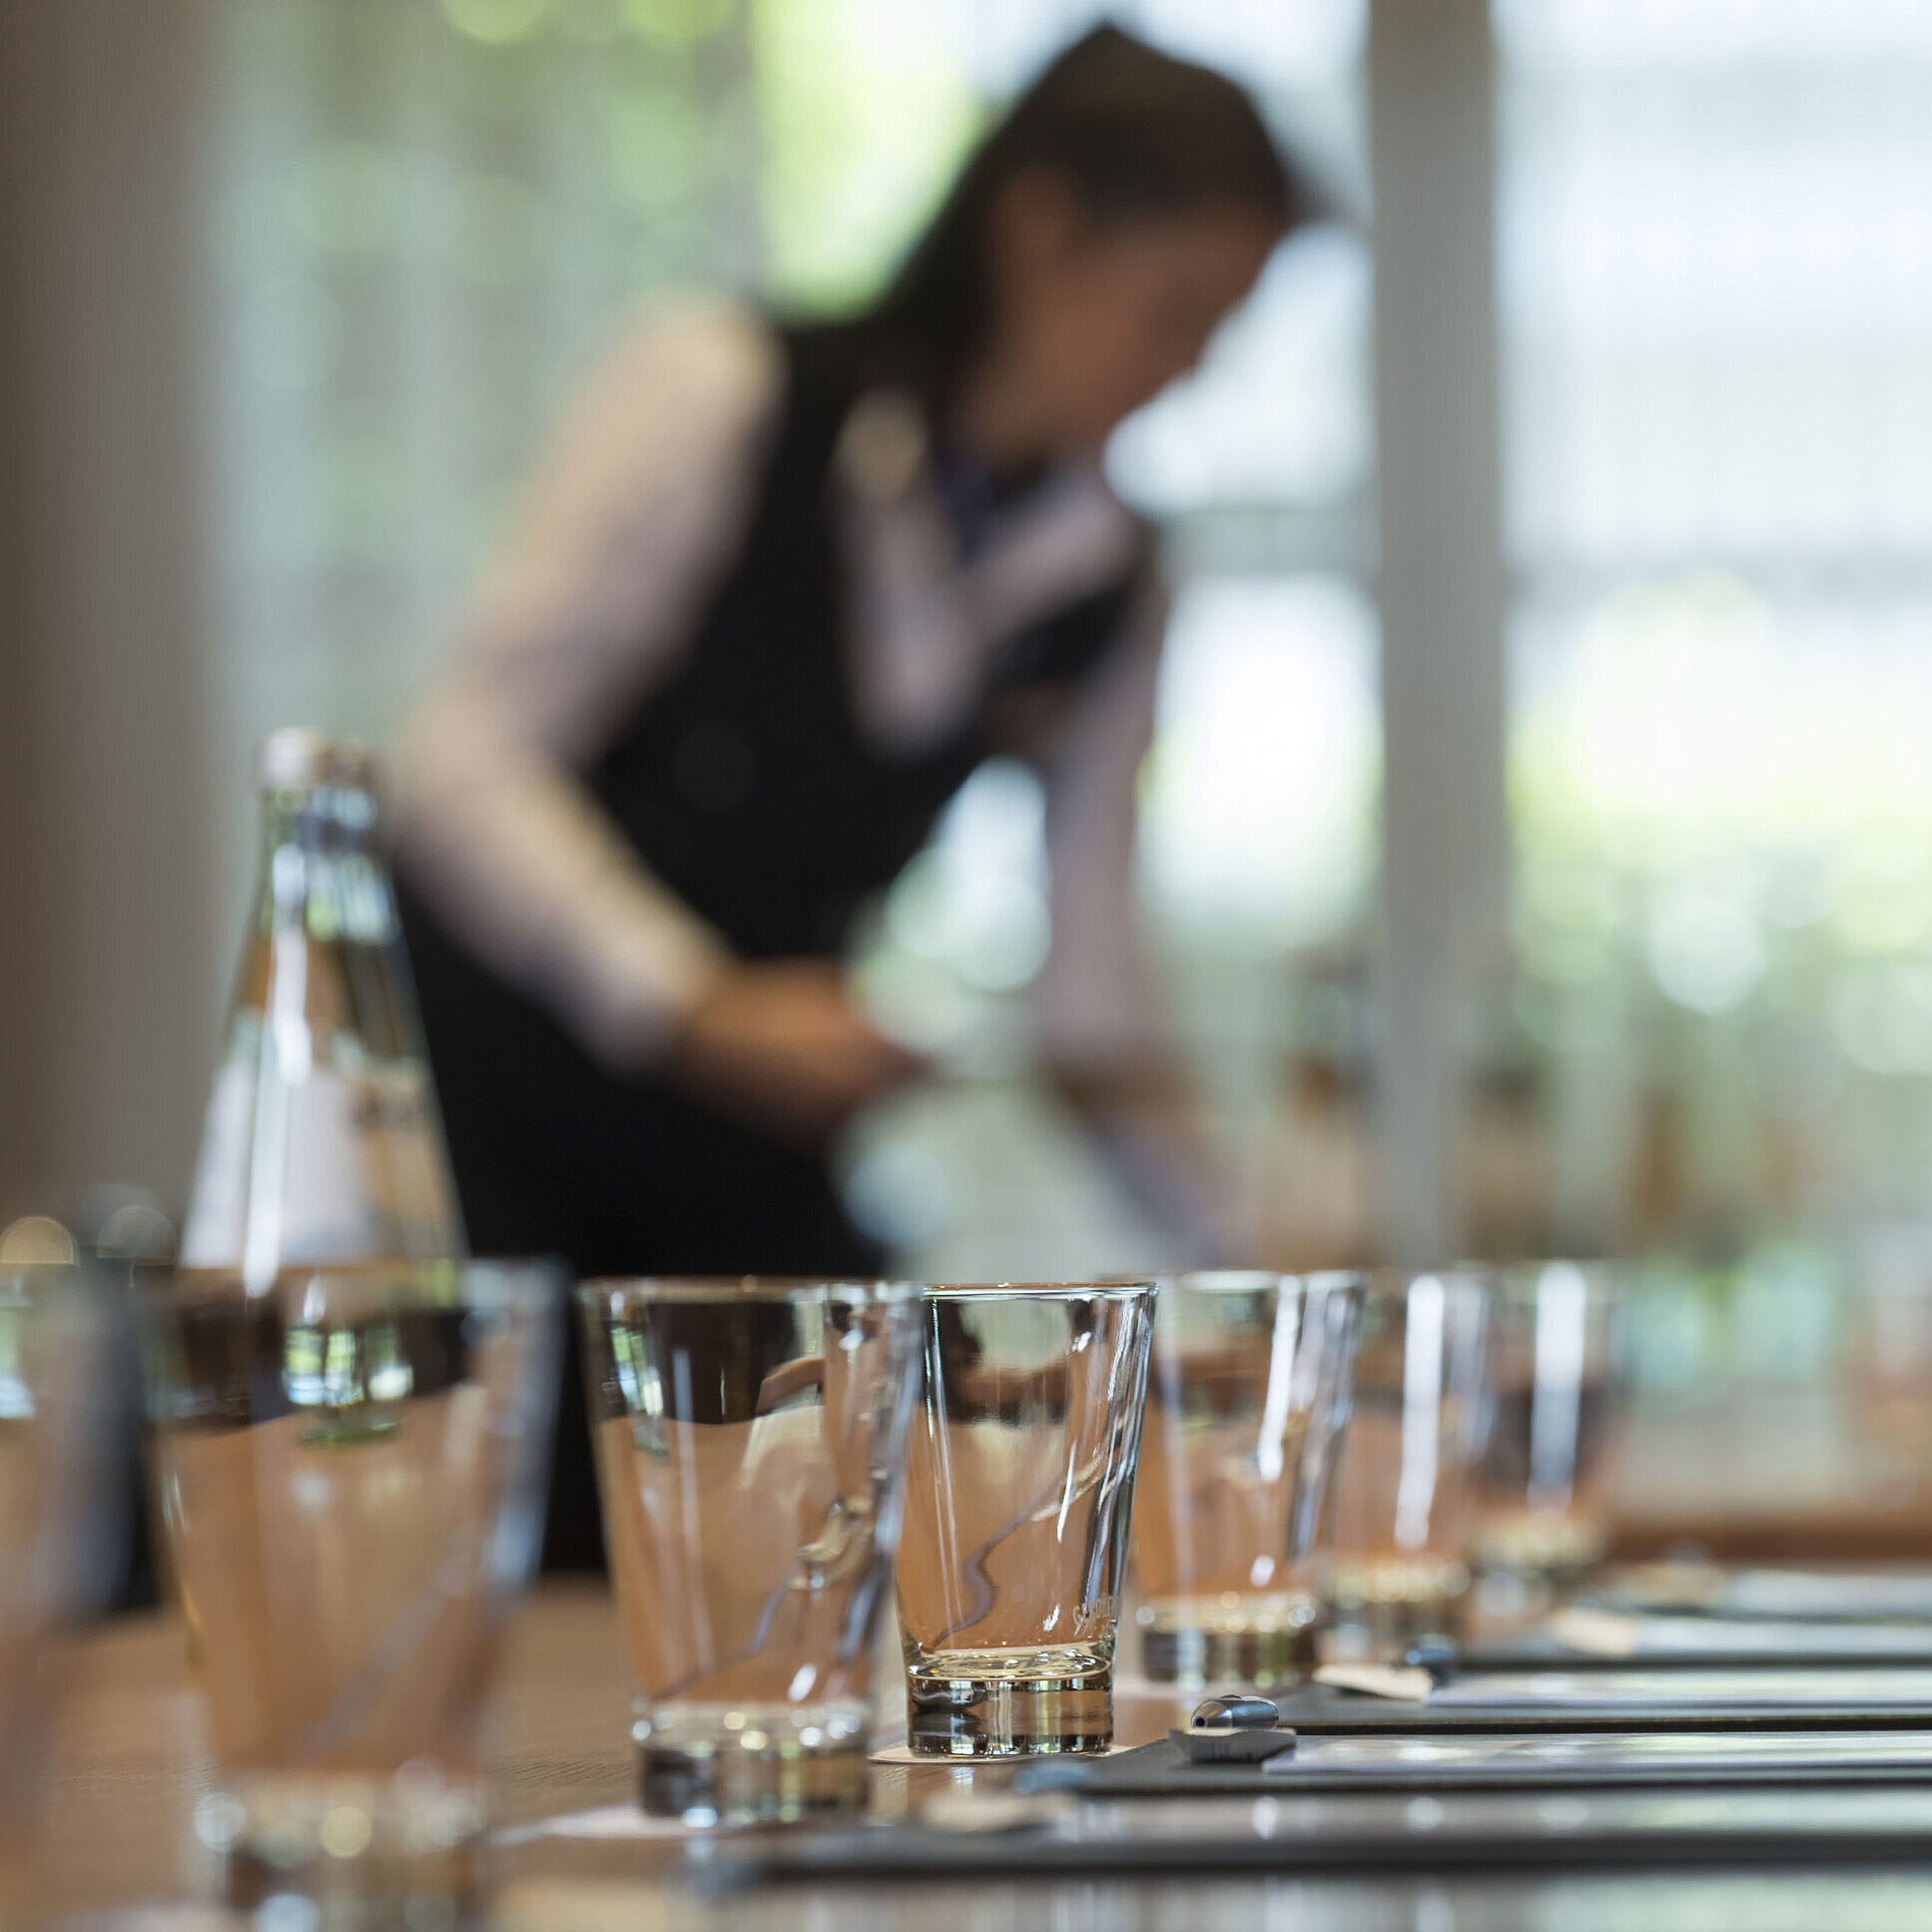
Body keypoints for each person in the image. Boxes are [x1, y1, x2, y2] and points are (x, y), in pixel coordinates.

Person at [390, 24, 1321, 1567]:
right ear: (1040, 231)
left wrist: (1275, 1281)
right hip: (489, 1145)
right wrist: (692, 1005)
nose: (1190, 367)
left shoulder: (1112, 582)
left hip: (734, 1198)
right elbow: (461, 758)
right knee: (498, 1594)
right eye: (1176, 310)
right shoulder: (720, 392)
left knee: (788, 1587)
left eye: (1220, 329)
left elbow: (1092, 1002)